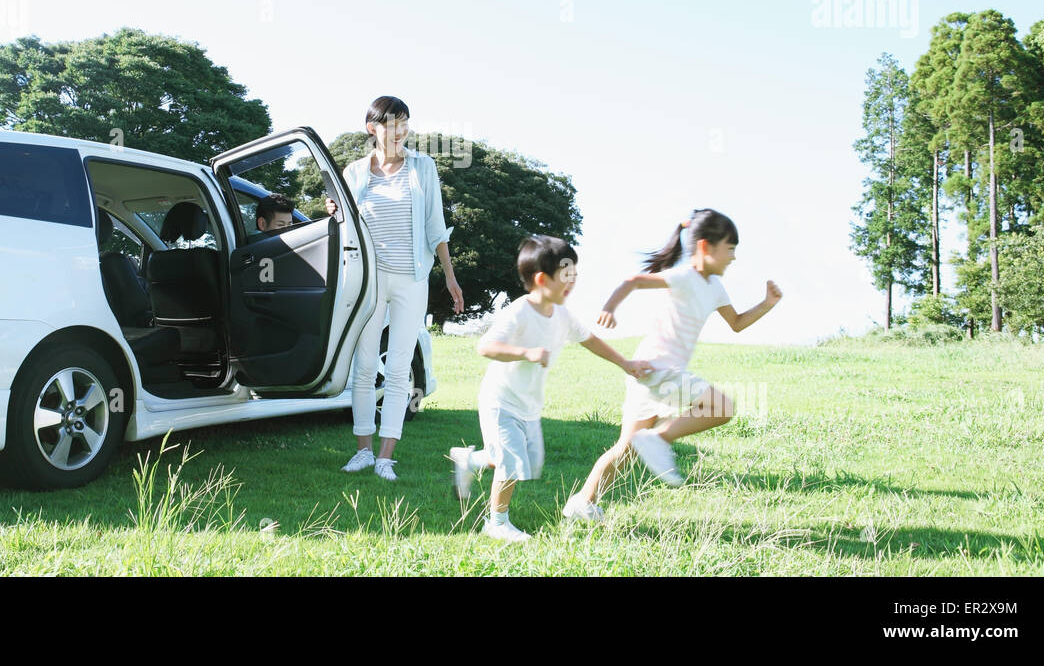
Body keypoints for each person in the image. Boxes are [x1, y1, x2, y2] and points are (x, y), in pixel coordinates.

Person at [565, 208, 783, 521]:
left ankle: (582, 503)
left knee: (625, 449)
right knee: (722, 408)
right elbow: (633, 281)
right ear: (706, 247)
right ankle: (659, 438)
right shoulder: (683, 277)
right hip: (658, 367)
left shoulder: (715, 288)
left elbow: (736, 323)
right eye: (730, 249)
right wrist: (609, 307)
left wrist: (766, 304)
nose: (733, 257)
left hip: (650, 373)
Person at [449, 236, 650, 542]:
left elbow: (590, 340)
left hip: (528, 405)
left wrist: (625, 363)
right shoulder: (519, 312)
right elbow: (485, 346)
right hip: (501, 400)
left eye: (574, 277)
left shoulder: (563, 315)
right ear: (542, 279)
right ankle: (497, 523)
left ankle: (468, 461)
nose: (572, 284)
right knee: (512, 463)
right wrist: (525, 353)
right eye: (565, 278)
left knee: (525, 462)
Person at [332, 96, 464, 482]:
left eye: (405, 123)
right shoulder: (354, 172)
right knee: (365, 364)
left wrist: (451, 278)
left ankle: (386, 457)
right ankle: (362, 451)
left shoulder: (423, 167)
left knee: (399, 367)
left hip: (411, 279)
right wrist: (334, 210)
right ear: (373, 128)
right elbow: (346, 225)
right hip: (370, 282)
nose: (401, 131)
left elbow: (435, 228)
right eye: (393, 124)